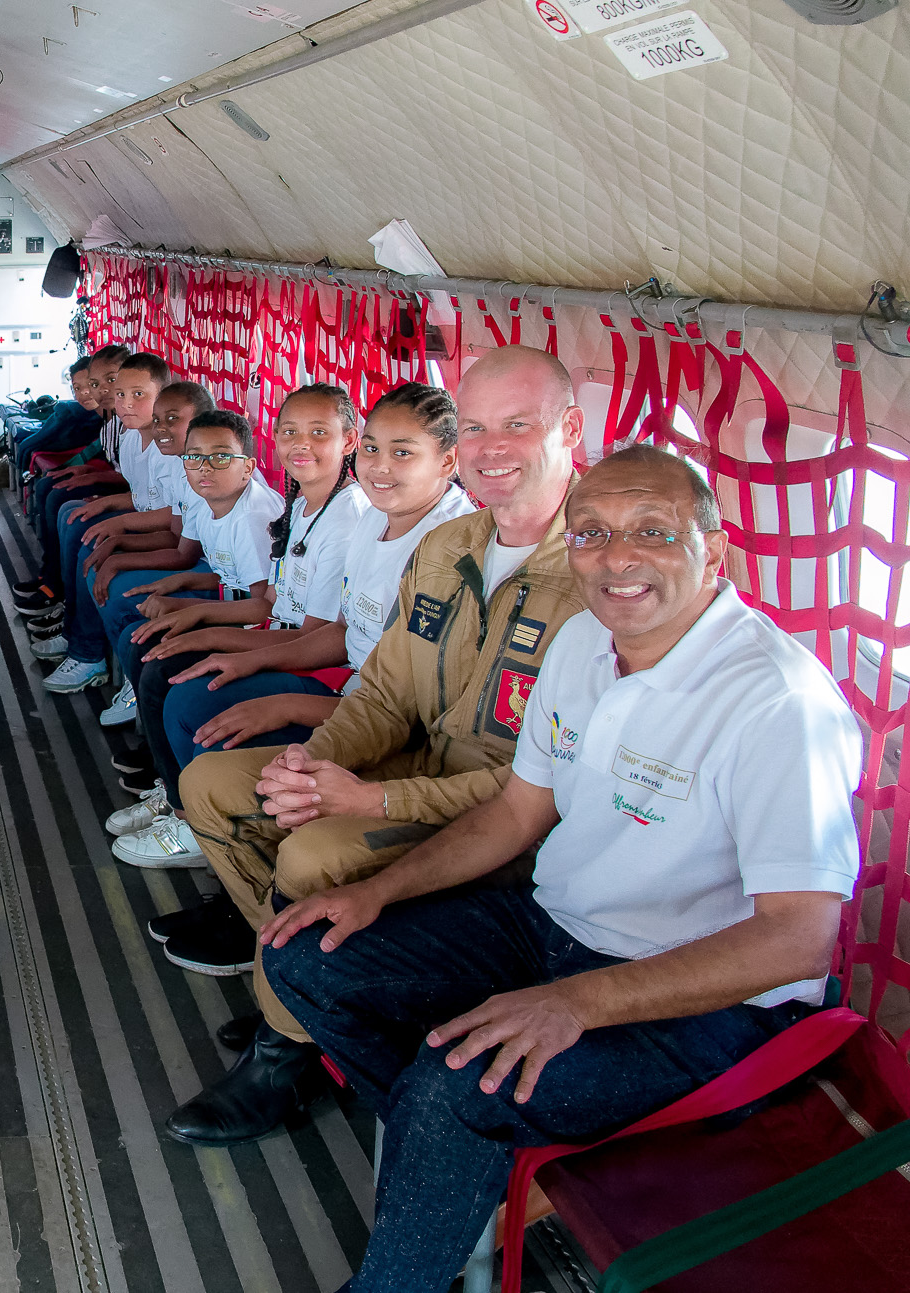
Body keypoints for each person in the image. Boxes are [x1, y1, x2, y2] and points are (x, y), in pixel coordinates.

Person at [259, 445, 861, 1293]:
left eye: (653, 530)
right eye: (592, 533)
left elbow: (798, 941)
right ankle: (459, 1159)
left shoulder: (777, 702)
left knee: (451, 1087)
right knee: (305, 956)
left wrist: (574, 1002)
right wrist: (372, 892)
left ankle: (411, 1243)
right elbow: (515, 813)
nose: (618, 557)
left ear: (713, 552)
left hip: (707, 1004)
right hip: (553, 929)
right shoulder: (583, 639)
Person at [165, 345, 592, 1146]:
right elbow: (388, 689)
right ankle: (301, 984)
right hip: (415, 764)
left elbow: (541, 788)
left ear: (570, 428)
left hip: (505, 820)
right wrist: (315, 759)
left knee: (309, 856)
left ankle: (280, 1051)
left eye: (517, 425)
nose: (491, 447)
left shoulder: (593, 578)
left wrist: (368, 798)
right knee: (216, 784)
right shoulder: (449, 548)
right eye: (475, 427)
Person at [117, 384, 372, 825]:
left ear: (349, 440)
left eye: (318, 433)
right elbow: (270, 602)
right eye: (289, 432)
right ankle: (176, 797)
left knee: (178, 691)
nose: (301, 445)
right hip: (282, 635)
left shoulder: (349, 518)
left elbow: (314, 633)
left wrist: (220, 640)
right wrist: (200, 621)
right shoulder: (303, 505)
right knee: (155, 654)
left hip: (320, 666)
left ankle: (189, 817)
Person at [85, 391, 284, 731]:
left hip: (261, 626)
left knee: (156, 658)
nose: (205, 467)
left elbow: (262, 606)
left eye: (220, 458)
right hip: (231, 600)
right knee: (139, 639)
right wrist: (181, 584)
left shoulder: (253, 516)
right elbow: (228, 576)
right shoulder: (204, 495)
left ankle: (163, 766)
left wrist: (191, 607)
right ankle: (148, 732)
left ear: (247, 467)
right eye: (195, 457)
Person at [34, 351, 173, 692]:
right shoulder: (128, 437)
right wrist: (109, 508)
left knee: (89, 544)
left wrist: (116, 530)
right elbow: (141, 497)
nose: (123, 401)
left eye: (137, 394)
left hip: (174, 538)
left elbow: (175, 522)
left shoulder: (167, 447)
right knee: (73, 514)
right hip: (158, 524)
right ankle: (71, 624)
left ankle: (88, 654)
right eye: (120, 393)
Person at [14, 344, 131, 629]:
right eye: (90, 385)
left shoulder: (135, 423)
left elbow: (135, 484)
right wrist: (85, 471)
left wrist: (94, 480)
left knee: (66, 507)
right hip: (123, 491)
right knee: (50, 488)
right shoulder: (110, 422)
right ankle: (51, 576)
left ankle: (60, 595)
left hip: (130, 500)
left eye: (110, 381)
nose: (96, 392)